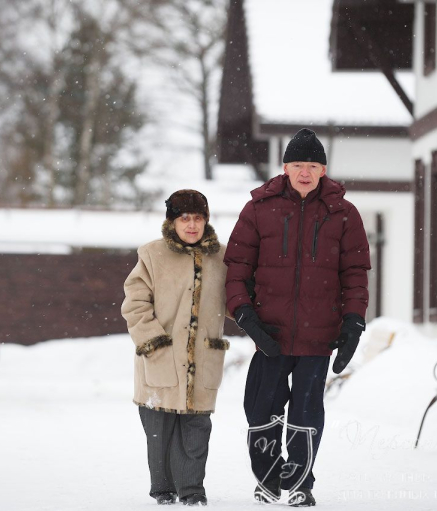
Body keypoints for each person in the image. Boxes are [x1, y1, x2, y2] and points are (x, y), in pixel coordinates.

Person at [224, 128, 371, 507]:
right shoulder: (258, 209)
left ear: (323, 170)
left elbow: (355, 274)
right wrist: (245, 315)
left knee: (307, 412)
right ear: (285, 167)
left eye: (313, 165)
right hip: (269, 333)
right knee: (261, 408)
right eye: (297, 164)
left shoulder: (344, 214)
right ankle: (269, 479)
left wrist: (353, 322)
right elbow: (237, 268)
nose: (304, 172)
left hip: (318, 335)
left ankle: (301, 483)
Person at [122, 189, 229, 507]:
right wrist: (153, 341)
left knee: (196, 427)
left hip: (203, 358)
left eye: (198, 218)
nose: (192, 225)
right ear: (172, 220)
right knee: (159, 427)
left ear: (206, 221)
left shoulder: (223, 258)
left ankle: (192, 489)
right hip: (161, 358)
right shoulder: (152, 255)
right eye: (185, 218)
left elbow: (240, 298)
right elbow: (135, 303)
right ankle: (164, 488)